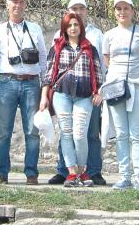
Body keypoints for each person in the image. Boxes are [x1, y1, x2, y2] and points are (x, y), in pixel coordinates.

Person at [0, 0, 48, 185]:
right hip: (7, 82)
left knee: (32, 130)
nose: (18, 6)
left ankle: (31, 173)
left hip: (31, 82)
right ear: (7, 5)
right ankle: (1, 173)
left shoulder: (35, 28)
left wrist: (45, 83)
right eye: (14, 2)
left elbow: (44, 58)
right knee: (4, 130)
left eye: (21, 2)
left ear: (25, 6)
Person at [39, 12, 105, 187]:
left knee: (80, 133)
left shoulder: (90, 48)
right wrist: (44, 97)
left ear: (80, 27)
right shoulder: (58, 47)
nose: (73, 28)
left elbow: (98, 74)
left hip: (84, 96)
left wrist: (99, 92)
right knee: (66, 133)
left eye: (76, 25)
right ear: (65, 29)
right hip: (62, 94)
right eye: (69, 25)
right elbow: (48, 74)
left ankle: (83, 171)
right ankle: (71, 173)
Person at [101, 0, 139, 191]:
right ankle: (124, 176)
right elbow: (108, 61)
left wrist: (135, 76)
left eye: (126, 8)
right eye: (118, 9)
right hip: (116, 89)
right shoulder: (109, 35)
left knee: (137, 134)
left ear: (133, 11)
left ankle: (138, 177)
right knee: (121, 133)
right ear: (114, 12)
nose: (122, 12)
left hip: (137, 86)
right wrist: (119, 78)